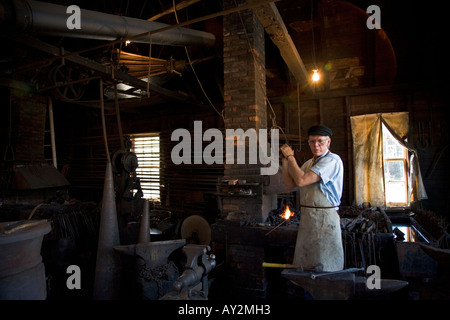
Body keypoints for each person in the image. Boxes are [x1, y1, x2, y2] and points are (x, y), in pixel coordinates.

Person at [280, 125, 344, 272]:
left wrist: (291, 157)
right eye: (312, 141)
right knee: (307, 266)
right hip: (309, 220)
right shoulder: (309, 164)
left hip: (325, 220)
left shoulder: (332, 161)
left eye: (320, 141)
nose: (316, 145)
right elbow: (290, 185)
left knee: (326, 267)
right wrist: (285, 161)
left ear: (328, 142)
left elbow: (302, 181)